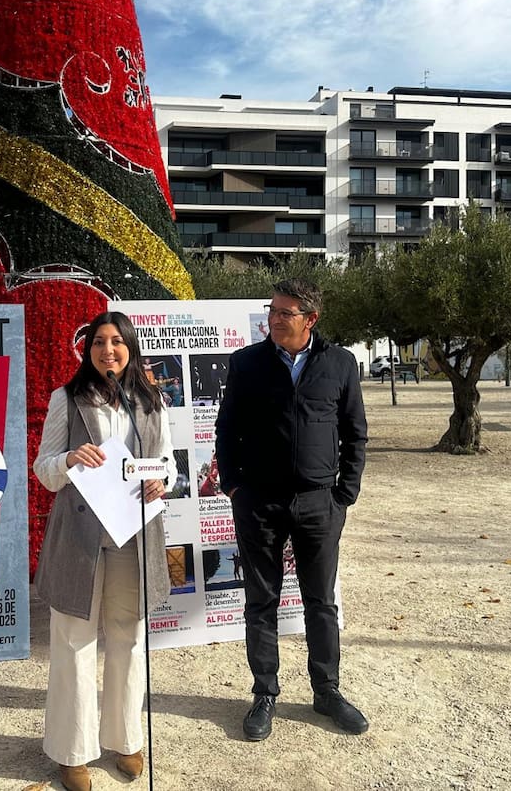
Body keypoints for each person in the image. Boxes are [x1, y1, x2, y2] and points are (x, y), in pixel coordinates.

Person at [214, 278, 368, 742]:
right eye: (272, 310)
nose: (274, 319)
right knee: (261, 602)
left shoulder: (340, 364)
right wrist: (234, 486)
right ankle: (264, 694)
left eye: (285, 313)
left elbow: (355, 433)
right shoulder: (246, 363)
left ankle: (327, 691)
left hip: (319, 503)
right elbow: (227, 429)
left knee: (321, 602)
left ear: (310, 319)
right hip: (258, 503)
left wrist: (344, 496)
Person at [33, 311, 173, 791]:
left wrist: (161, 479)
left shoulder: (151, 401)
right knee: (74, 641)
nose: (107, 350)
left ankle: (125, 737)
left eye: (116, 342)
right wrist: (69, 459)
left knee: (128, 637)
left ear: (130, 347)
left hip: (133, 535)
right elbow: (44, 470)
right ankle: (72, 751)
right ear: (87, 350)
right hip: (79, 539)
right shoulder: (66, 398)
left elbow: (168, 463)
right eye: (98, 342)